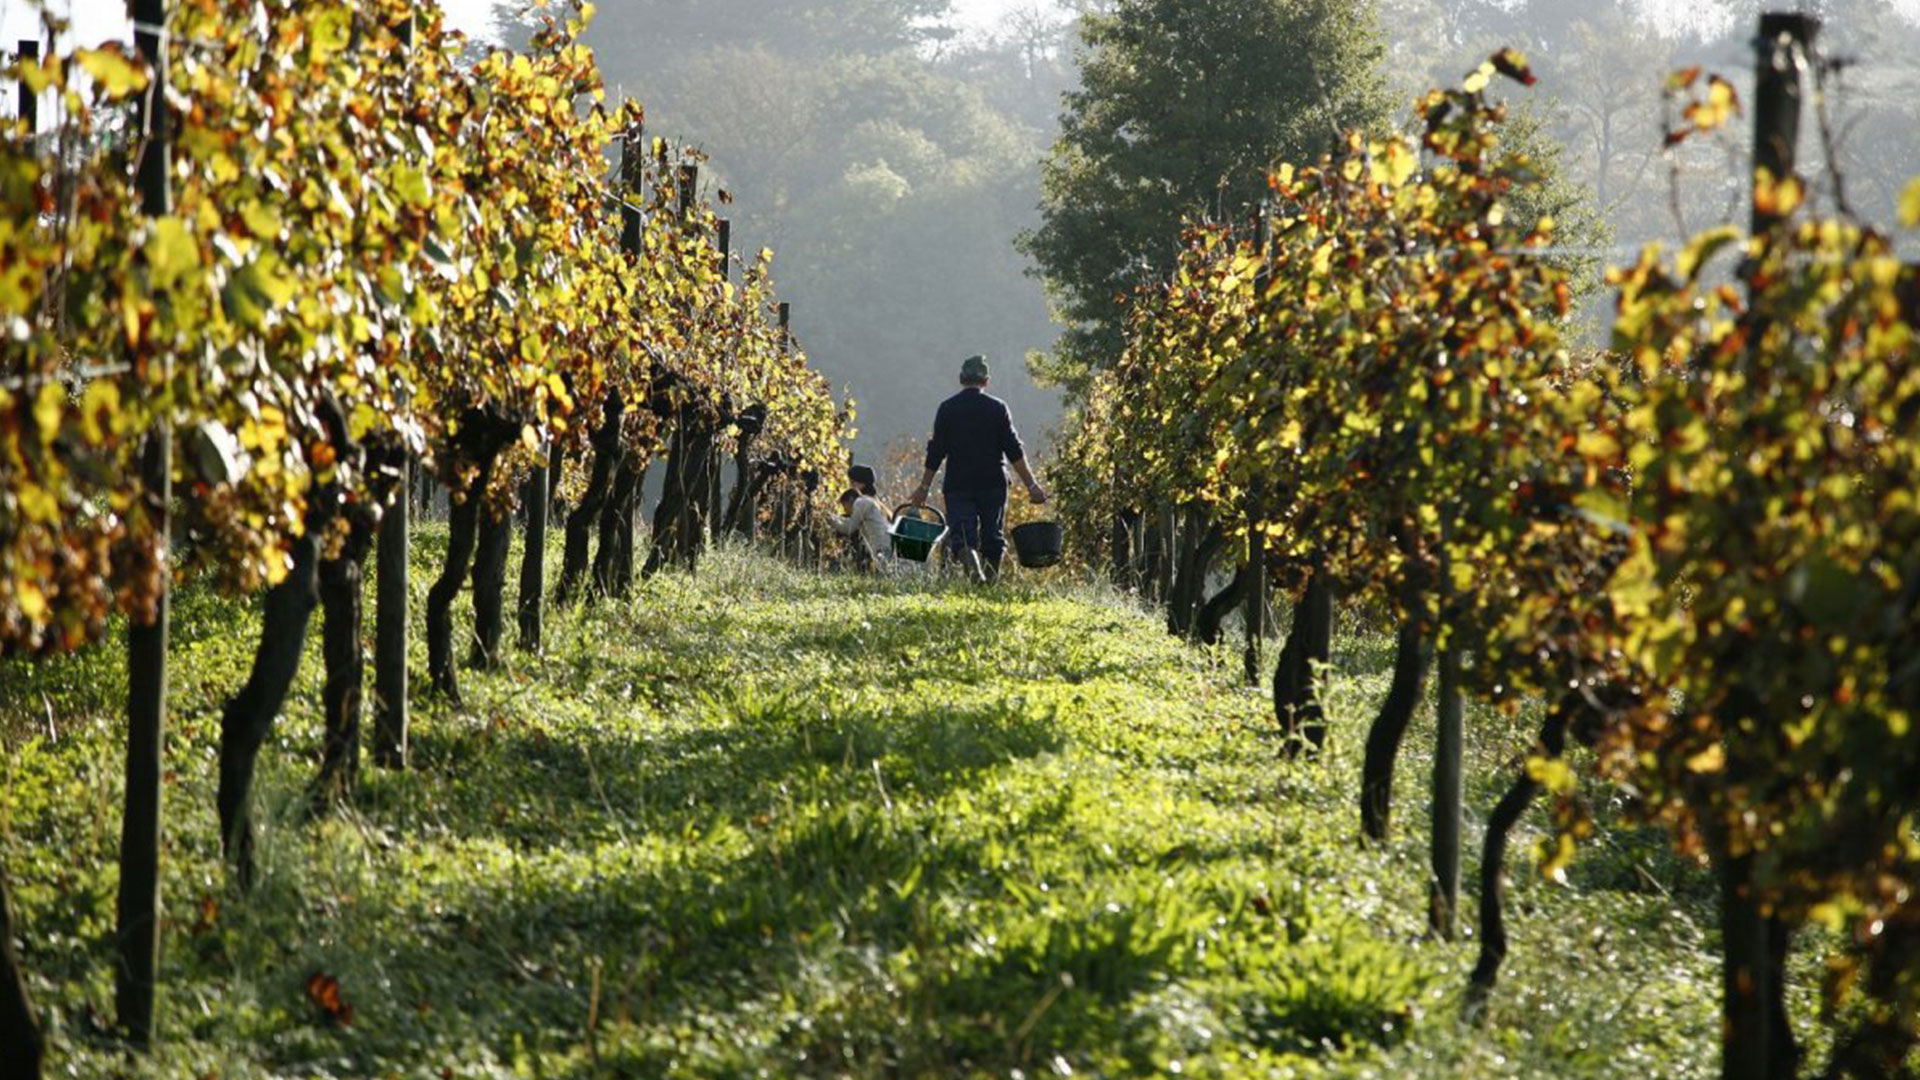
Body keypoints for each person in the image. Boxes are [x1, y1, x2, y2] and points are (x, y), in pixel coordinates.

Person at [907, 355, 1048, 580]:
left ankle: (974, 569)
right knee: (993, 534)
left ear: (961, 379)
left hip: (958, 483)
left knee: (962, 534)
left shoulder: (947, 409)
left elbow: (936, 452)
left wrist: (923, 487)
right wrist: (1032, 485)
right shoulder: (997, 408)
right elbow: (1014, 450)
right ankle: (989, 583)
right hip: (993, 482)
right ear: (986, 381)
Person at [828, 463, 891, 570]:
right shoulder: (874, 501)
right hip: (885, 548)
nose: (850, 486)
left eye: (852, 482)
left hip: (878, 550)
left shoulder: (862, 502)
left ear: (862, 484)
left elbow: (850, 528)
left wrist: (830, 519)